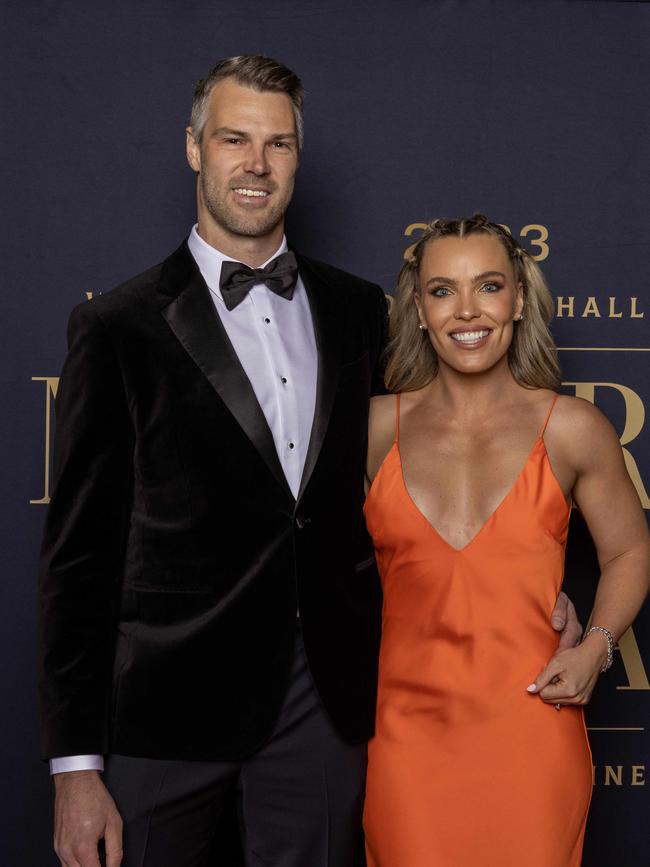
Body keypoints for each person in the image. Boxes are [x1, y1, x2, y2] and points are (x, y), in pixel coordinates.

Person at [38, 56, 581, 867]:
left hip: (324, 708)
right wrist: (76, 767)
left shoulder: (363, 311)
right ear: (193, 148)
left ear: (298, 157)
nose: (256, 164)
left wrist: (532, 579)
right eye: (234, 139)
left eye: (278, 144)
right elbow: (77, 559)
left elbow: (450, 445)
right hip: (166, 710)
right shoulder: (116, 327)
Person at [362, 214, 650, 867]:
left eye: (488, 285)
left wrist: (596, 647)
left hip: (532, 731)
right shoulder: (374, 428)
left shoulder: (570, 428)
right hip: (403, 737)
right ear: (418, 308)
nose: (467, 310)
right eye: (442, 290)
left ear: (519, 300)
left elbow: (630, 551)